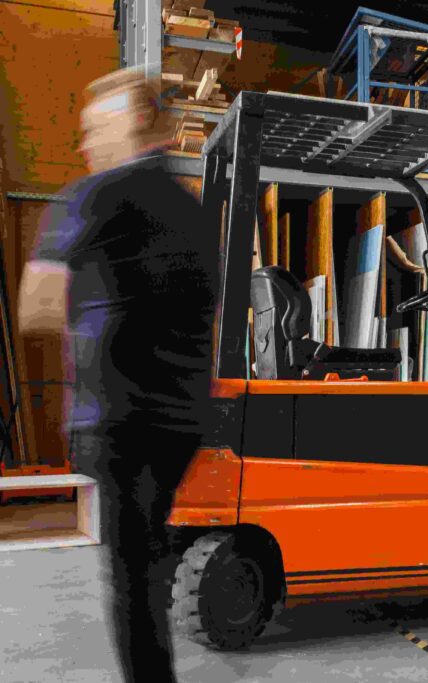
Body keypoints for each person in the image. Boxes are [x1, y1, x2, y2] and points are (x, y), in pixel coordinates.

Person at [17, 68, 219, 683]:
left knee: (131, 579)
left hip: (120, 416)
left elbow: (35, 308)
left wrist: (90, 311)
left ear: (131, 121)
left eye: (91, 130)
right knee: (147, 567)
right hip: (182, 418)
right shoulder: (194, 211)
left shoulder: (94, 195)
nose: (83, 146)